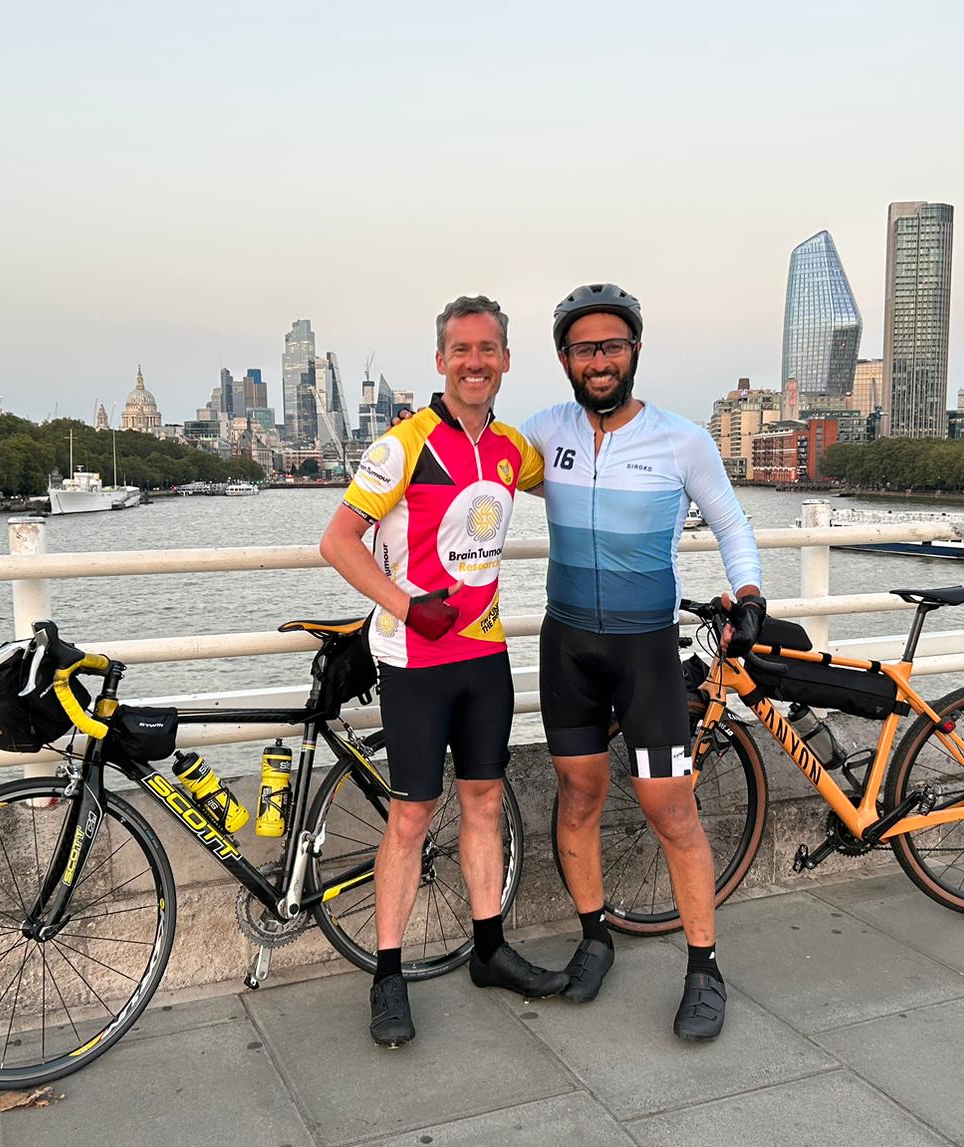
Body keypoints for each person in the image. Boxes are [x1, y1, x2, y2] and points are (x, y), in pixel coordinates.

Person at [319, 295, 569, 1048]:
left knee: (485, 801)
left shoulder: (509, 450)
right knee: (411, 816)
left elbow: (575, 479)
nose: (475, 362)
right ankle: (387, 975)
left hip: (485, 657)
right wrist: (404, 601)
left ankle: (489, 950)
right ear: (440, 361)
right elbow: (337, 542)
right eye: (461, 350)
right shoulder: (403, 445)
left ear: (504, 361)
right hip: (416, 659)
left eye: (488, 349)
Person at [522, 283, 766, 1041]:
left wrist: (749, 593)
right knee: (580, 792)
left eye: (613, 346)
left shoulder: (681, 439)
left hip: (645, 652)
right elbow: (467, 474)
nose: (600, 361)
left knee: (670, 807)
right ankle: (595, 935)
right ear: (565, 358)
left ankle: (704, 968)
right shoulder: (540, 434)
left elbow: (731, 522)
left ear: (633, 352)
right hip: (567, 644)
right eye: (585, 348)